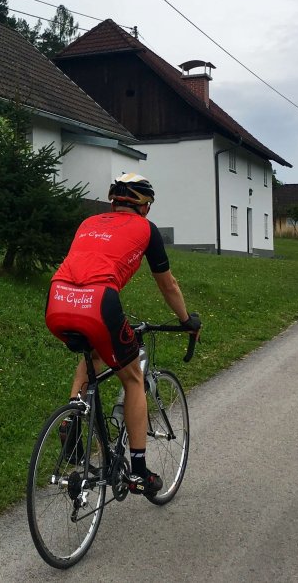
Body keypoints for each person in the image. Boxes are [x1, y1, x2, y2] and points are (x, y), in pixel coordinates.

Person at [45, 172, 199, 496]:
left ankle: (72, 416)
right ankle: (140, 471)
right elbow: (168, 284)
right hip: (99, 302)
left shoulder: (88, 223)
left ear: (113, 202)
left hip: (58, 300)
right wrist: (186, 320)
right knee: (133, 379)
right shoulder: (146, 229)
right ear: (144, 206)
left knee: (95, 354)